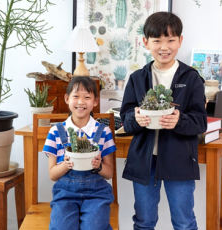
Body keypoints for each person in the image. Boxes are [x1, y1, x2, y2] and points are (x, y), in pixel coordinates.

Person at [120, 12, 207, 230]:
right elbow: (126, 118)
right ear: (145, 42)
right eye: (157, 40)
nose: (164, 47)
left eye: (170, 40)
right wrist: (136, 118)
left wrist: (179, 120)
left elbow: (200, 122)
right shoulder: (137, 78)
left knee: (184, 222)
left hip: (179, 160)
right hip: (144, 161)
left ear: (180, 41)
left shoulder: (191, 78)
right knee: (143, 221)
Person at [42, 76, 116, 230]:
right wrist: (66, 165)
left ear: (95, 101)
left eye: (87, 97)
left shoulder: (103, 131)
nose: (81, 102)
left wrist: (99, 166)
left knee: (94, 227)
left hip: (97, 194)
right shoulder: (56, 131)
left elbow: (109, 173)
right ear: (67, 98)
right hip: (65, 194)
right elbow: (52, 175)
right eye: (76, 96)